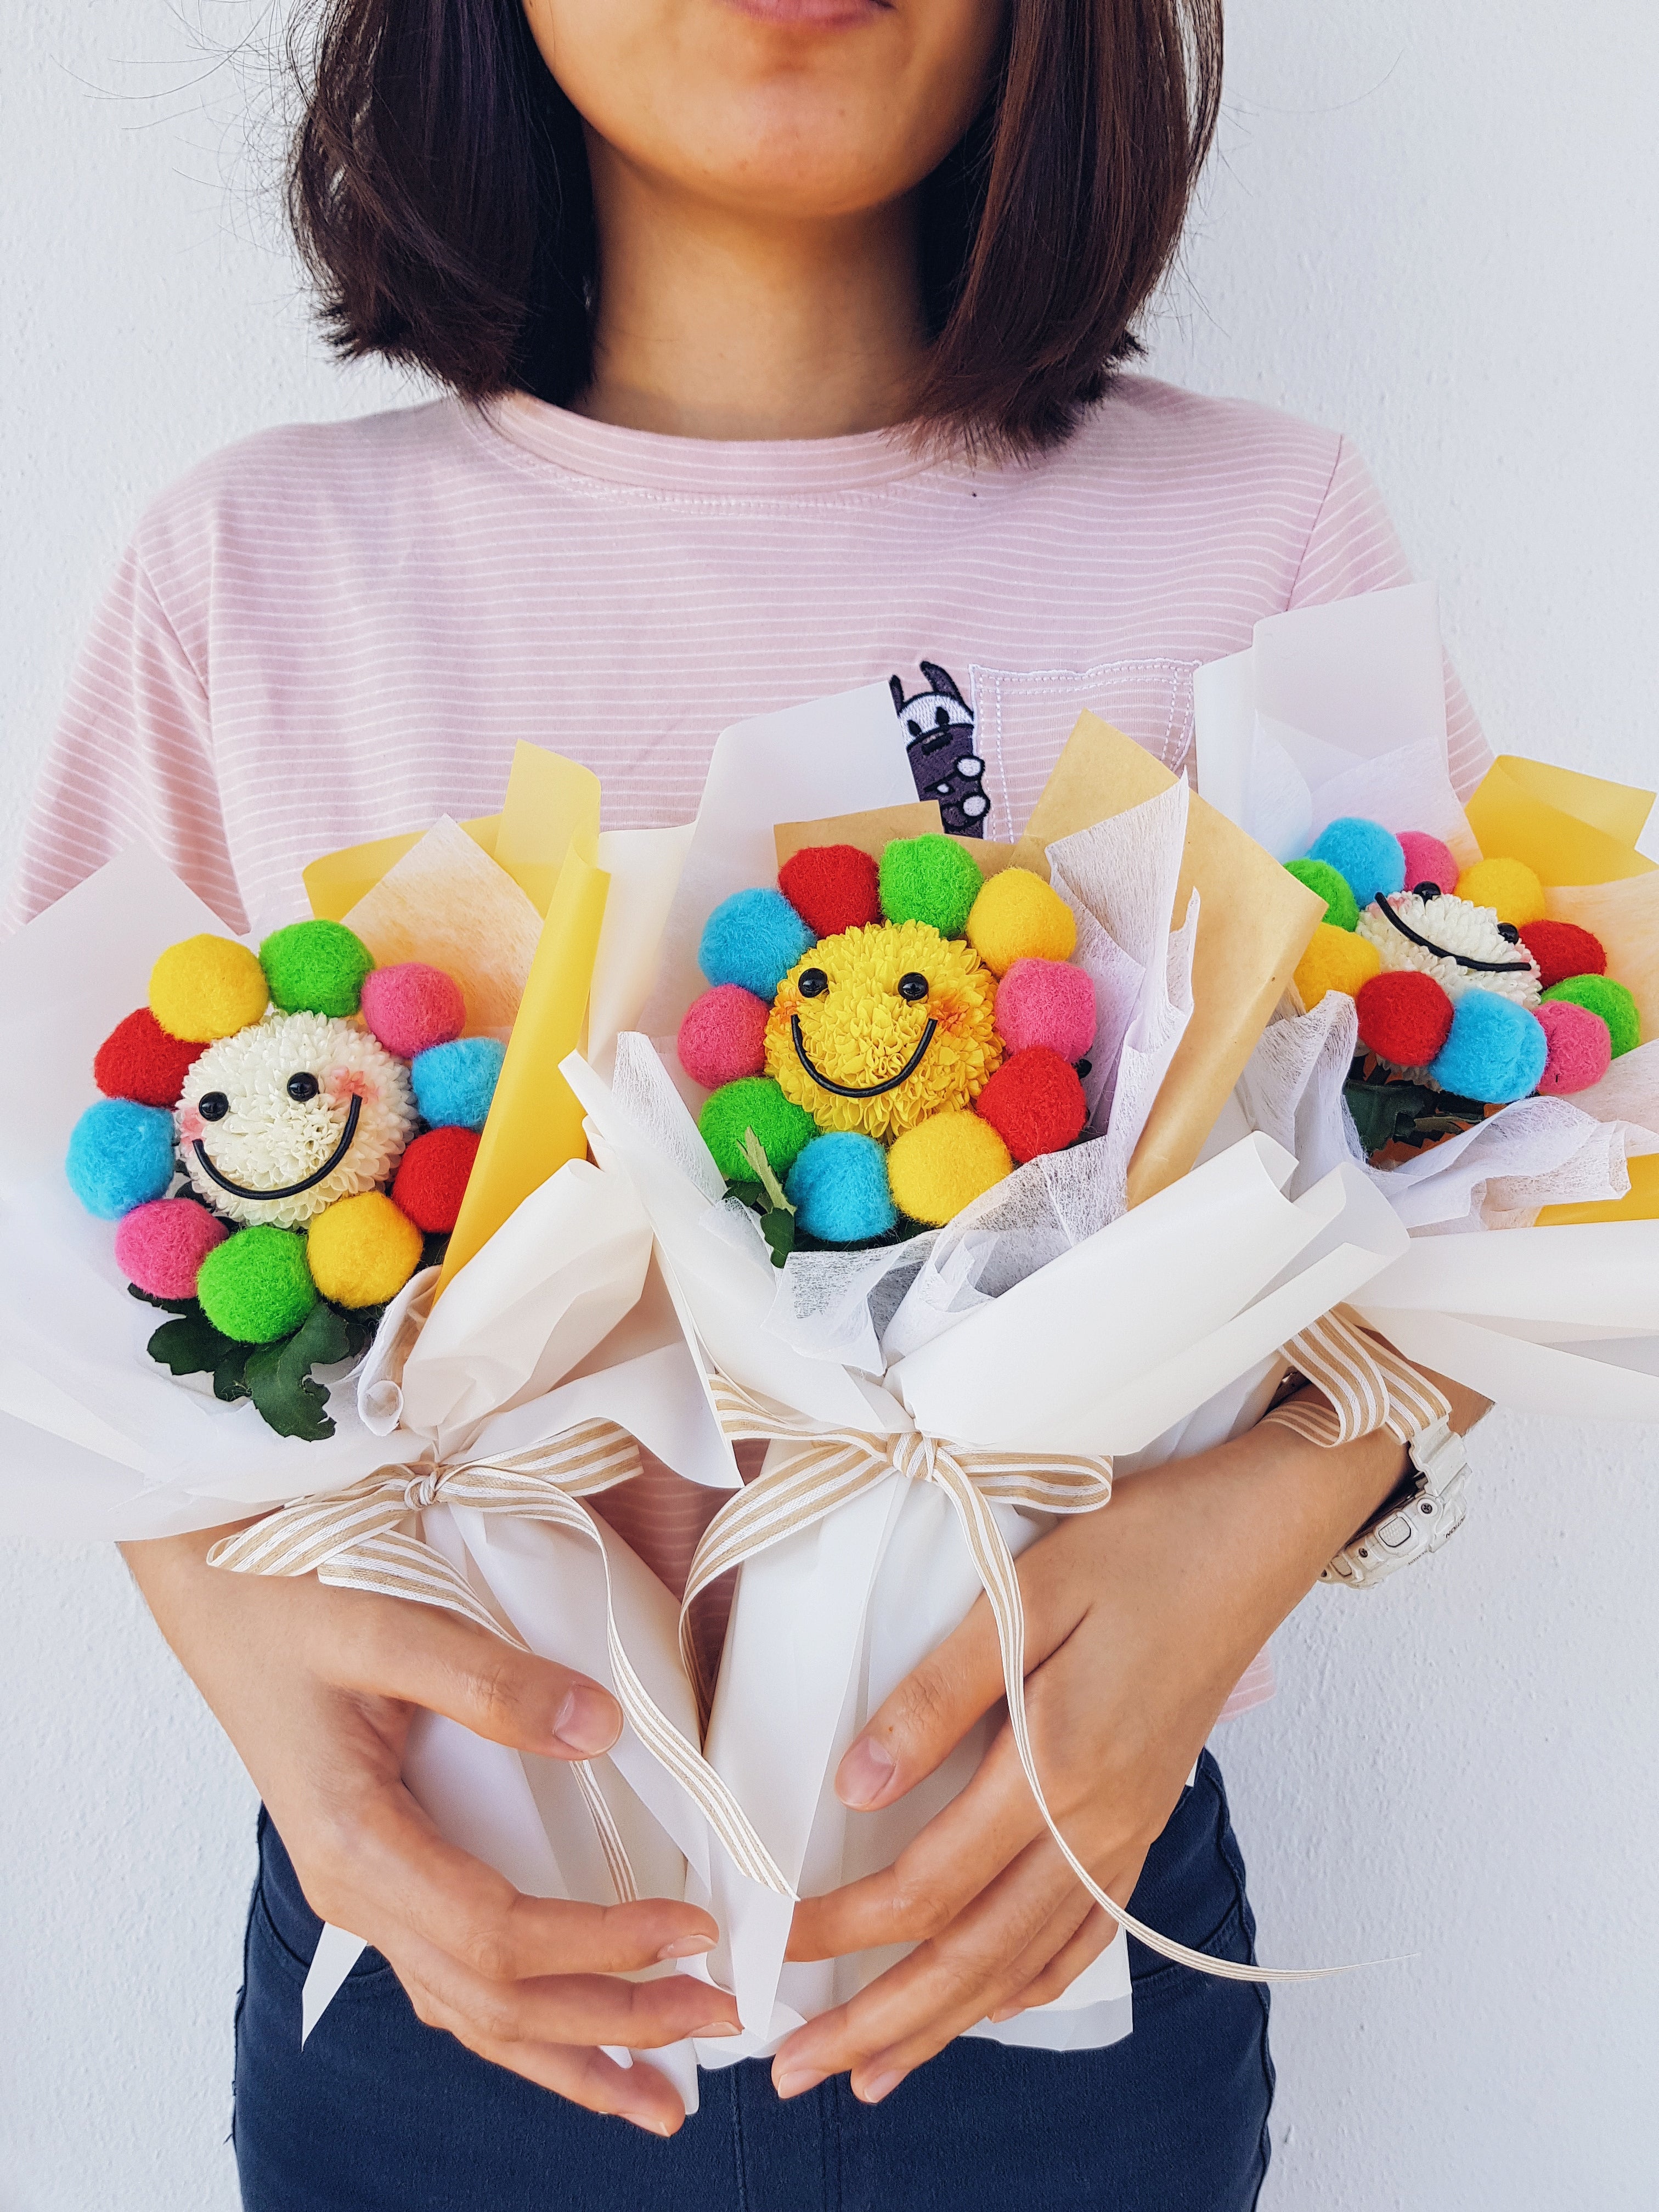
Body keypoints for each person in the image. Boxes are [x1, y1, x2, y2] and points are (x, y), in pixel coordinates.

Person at [13, 1, 1491, 2204]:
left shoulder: (1264, 532)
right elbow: (73, 1271)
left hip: (1054, 1942)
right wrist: (249, 1660)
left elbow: (1473, 1172)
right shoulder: (253, 575)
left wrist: (1265, 1529)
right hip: (446, 1958)